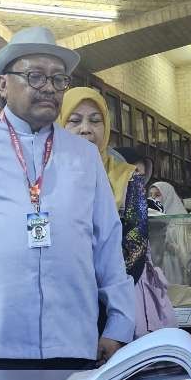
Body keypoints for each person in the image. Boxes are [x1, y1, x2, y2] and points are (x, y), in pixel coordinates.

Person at [0, 27, 134, 373]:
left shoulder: (83, 154)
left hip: (74, 336)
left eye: (58, 79)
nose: (49, 88)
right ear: (3, 84)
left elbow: (107, 243)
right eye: (35, 77)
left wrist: (119, 322)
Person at [60, 89, 148, 281]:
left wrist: (100, 290)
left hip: (112, 295)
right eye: (74, 120)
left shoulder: (129, 178)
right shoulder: (44, 177)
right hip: (59, 292)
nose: (85, 128)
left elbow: (136, 247)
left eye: (95, 120)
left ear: (106, 125)